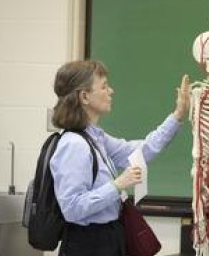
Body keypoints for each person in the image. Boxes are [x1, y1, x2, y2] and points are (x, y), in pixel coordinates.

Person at [49, 60, 190, 256]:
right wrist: (117, 185)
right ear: (84, 96)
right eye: (104, 86)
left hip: (109, 237)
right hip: (89, 244)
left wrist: (178, 115)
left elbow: (143, 150)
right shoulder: (74, 145)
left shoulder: (95, 138)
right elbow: (72, 208)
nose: (111, 91)